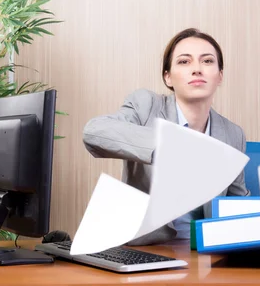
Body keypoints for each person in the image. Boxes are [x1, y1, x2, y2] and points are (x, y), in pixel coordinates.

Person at [83, 28, 249, 245]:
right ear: (168, 77)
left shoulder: (232, 134)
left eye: (207, 61)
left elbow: (238, 209)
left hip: (204, 255)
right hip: (147, 250)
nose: (197, 69)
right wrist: (170, 145)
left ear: (219, 75)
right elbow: (94, 131)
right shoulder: (146, 106)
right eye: (184, 62)